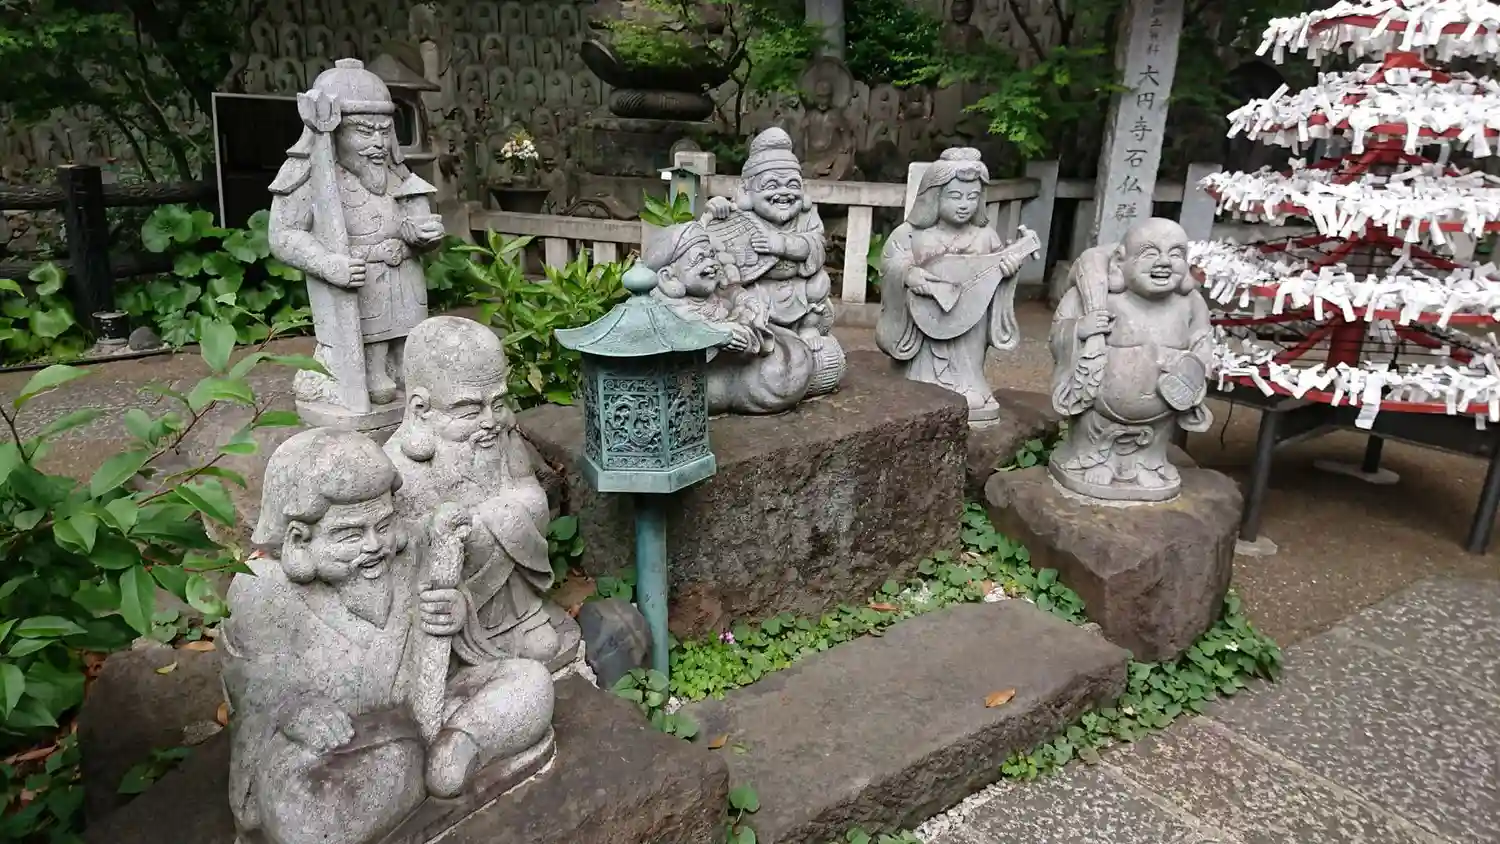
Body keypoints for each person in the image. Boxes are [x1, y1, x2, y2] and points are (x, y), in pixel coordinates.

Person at [223, 429, 555, 844]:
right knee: (305, 819)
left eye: (382, 524)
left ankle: (458, 750)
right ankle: (421, 767)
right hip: (337, 754)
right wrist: (294, 708)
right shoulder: (261, 590)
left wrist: (456, 612)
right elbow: (252, 686)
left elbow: (448, 653)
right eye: (350, 534)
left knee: (530, 681)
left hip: (432, 712)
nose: (375, 545)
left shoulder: (410, 548)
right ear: (299, 538)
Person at [386, 316, 565, 666]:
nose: (489, 421)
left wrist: (499, 517)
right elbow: (403, 549)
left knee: (544, 647)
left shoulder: (502, 438)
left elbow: (531, 495)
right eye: (469, 410)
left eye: (496, 403)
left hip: (513, 595)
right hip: (454, 602)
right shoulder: (401, 466)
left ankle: (519, 620)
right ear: (421, 409)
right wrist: (446, 532)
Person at [269, 58, 445, 412]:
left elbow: (417, 214)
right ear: (335, 131)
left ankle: (404, 371)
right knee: (370, 338)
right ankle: (368, 376)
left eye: (384, 131)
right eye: (364, 132)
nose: (378, 143)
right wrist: (327, 263)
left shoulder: (397, 172)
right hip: (359, 281)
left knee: (410, 338)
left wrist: (425, 236)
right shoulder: (309, 173)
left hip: (404, 279)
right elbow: (284, 234)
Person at [1048, 218, 1216, 501]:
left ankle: (1148, 464)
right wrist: (1081, 328)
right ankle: (1093, 460)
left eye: (1175, 253)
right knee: (1092, 430)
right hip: (1099, 409)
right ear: (1120, 262)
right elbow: (1058, 333)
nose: (1164, 262)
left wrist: (1195, 368)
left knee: (1156, 440)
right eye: (1150, 253)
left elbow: (1203, 340)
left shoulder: (1191, 303)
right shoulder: (1096, 297)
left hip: (1161, 409)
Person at [877, 148, 1025, 423]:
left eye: (973, 196)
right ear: (934, 196)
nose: (964, 204)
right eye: (955, 196)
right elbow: (890, 265)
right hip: (924, 325)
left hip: (969, 327)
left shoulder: (985, 237)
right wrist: (908, 275)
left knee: (968, 349)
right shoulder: (911, 234)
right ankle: (918, 382)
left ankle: (968, 384)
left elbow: (994, 276)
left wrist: (1007, 275)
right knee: (917, 381)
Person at [645, 221, 816, 414]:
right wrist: (717, 334)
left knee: (791, 356)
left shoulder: (711, 292)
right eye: (699, 259)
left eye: (711, 255)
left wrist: (747, 303)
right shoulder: (665, 306)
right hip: (701, 375)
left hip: (737, 360)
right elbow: (677, 332)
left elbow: (733, 292)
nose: (711, 263)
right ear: (668, 277)